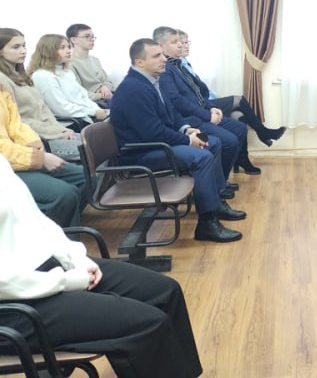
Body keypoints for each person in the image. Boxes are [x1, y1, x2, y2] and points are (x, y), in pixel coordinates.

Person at [0, 154, 203, 378]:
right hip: (12, 304)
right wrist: (67, 281)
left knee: (165, 292)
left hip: (42, 270)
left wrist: (76, 259)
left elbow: (36, 222)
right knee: (147, 325)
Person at [110, 38, 245, 243]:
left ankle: (215, 203)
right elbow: (153, 132)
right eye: (157, 56)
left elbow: (171, 116)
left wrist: (187, 129)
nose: (164, 59)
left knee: (213, 142)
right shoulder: (133, 89)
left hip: (158, 144)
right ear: (139, 62)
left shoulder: (152, 81)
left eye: (162, 54)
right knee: (201, 157)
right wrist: (188, 140)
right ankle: (207, 224)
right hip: (141, 152)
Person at [153, 27, 250, 176]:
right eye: (175, 42)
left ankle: (220, 180)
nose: (180, 44)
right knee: (229, 141)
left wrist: (211, 107)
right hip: (191, 119)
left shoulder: (179, 65)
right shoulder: (165, 69)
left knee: (240, 128)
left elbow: (198, 91)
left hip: (202, 113)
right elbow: (177, 101)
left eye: (181, 41)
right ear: (161, 45)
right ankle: (218, 181)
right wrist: (207, 116)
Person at [175, 29, 286, 150]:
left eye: (187, 42)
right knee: (239, 100)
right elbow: (192, 93)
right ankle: (263, 132)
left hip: (208, 102)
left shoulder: (184, 63)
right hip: (202, 106)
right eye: (182, 43)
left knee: (238, 115)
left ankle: (244, 157)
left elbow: (199, 88)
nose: (186, 46)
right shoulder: (178, 66)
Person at [0, 84, 86, 227]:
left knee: (86, 178)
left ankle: (62, 226)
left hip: (20, 156)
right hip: (6, 168)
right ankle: (45, 234)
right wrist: (40, 158)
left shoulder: (2, 89)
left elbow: (16, 125)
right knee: (64, 194)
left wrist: (35, 145)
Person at [0, 28, 81, 161]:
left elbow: (44, 109)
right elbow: (17, 122)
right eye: (16, 47)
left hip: (50, 133)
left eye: (24, 45)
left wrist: (61, 130)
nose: (23, 51)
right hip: (36, 140)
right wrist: (56, 132)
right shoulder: (2, 80)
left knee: (102, 142)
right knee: (94, 150)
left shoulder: (22, 75)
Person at [29, 34, 108, 131]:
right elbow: (61, 108)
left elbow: (83, 96)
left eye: (68, 47)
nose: (68, 51)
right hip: (69, 123)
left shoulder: (66, 72)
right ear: (48, 51)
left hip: (85, 116)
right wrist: (93, 112)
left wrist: (97, 110)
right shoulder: (42, 76)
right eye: (62, 48)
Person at [66, 23, 114, 108]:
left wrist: (105, 87)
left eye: (92, 36)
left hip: (107, 97)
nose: (92, 39)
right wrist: (101, 95)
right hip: (93, 102)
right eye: (87, 36)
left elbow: (107, 81)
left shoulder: (95, 59)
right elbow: (77, 93)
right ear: (73, 40)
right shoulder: (69, 64)